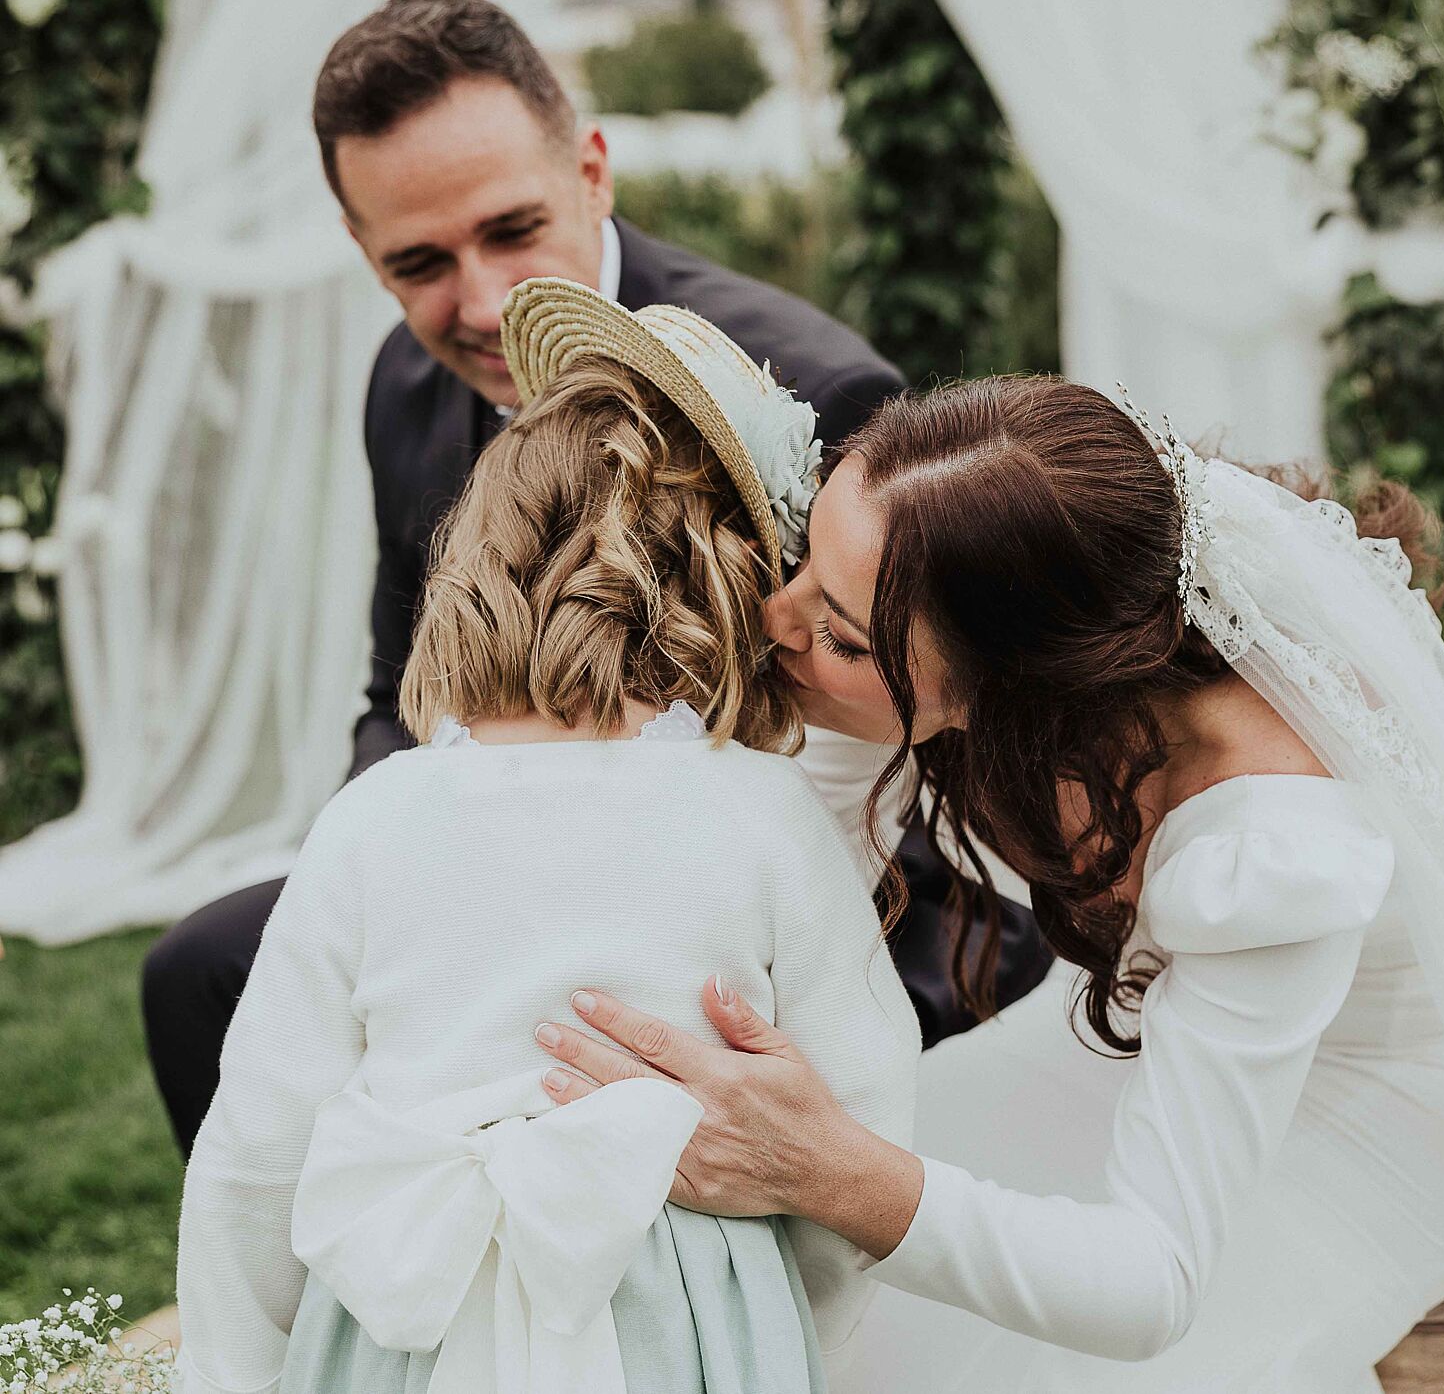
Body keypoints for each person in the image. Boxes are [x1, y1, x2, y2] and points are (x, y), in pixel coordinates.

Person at [534, 375, 1444, 1394]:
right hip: (1124, 1044)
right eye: (806, 568)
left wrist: (830, 1169)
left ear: (1027, 693)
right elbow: (771, 884)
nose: (774, 620)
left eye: (845, 636)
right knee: (794, 1254)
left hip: (1389, 1106)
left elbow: (1149, 1281)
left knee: (1018, 1353)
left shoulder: (1266, 839)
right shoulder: (937, 568)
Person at [140, 0, 1045, 1159]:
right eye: (417, 262)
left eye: (511, 230)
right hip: (502, 851)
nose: (480, 302)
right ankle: (336, 1316)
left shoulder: (810, 396)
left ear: (593, 172)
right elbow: (394, 690)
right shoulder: (402, 392)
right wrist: (390, 864)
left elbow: (898, 750)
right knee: (200, 972)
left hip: (793, 898)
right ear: (364, 254)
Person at [173, 290, 919, 1394]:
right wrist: (795, 1323)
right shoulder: (764, 815)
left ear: (475, 558)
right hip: (694, 1328)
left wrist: (231, 1373)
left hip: (403, 1323)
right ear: (727, 582)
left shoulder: (376, 816)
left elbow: (255, 1153)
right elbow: (858, 1111)